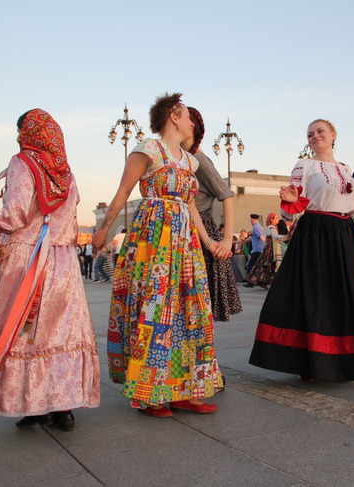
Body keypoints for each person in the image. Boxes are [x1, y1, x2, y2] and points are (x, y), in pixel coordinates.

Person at [0, 109, 100, 430]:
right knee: (60, 334)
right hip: (64, 264)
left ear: (27, 132)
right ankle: (63, 407)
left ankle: (32, 405)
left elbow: (15, 214)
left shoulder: (22, 162)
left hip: (30, 261)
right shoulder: (67, 174)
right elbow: (72, 219)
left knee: (25, 333)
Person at [92, 93, 225, 417]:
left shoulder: (189, 160)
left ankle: (184, 390)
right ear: (172, 116)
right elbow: (123, 192)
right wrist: (102, 230)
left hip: (184, 241)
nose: (192, 120)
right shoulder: (147, 149)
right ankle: (151, 392)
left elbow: (190, 204)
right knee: (156, 309)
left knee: (190, 310)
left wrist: (208, 241)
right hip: (153, 236)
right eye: (186, 114)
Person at [249, 119, 354, 382]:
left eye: (320, 131)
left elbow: (347, 212)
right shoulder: (304, 165)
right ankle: (310, 362)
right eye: (310, 134)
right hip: (315, 233)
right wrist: (290, 200)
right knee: (315, 297)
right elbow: (290, 211)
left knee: (343, 298)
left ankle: (340, 363)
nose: (315, 136)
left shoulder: (345, 168)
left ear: (333, 135)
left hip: (343, 236)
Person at [183, 106, 242, 321]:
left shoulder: (199, 160)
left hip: (200, 231)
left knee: (197, 304)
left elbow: (226, 194)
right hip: (186, 228)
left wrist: (227, 240)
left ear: (192, 127)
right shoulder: (180, 158)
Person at [245, 212, 282, 289]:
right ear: (272, 220)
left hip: (263, 249)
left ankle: (255, 281)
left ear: (252, 219)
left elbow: (262, 237)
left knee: (260, 265)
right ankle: (255, 281)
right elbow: (272, 237)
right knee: (261, 265)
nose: (278, 219)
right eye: (276, 218)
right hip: (266, 249)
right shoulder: (269, 227)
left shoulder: (257, 227)